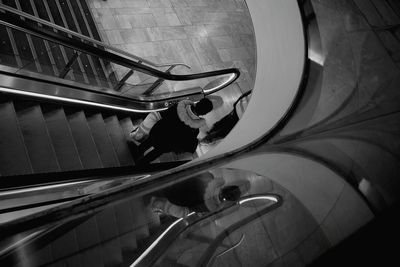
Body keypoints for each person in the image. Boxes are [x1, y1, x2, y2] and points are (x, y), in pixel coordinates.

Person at [129, 98, 213, 164]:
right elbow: (184, 141)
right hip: (167, 144)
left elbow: (165, 114)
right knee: (157, 152)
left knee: (149, 141)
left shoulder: (179, 107)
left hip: (158, 131)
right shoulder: (194, 129)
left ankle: (137, 152)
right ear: (204, 113)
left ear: (197, 103)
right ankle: (142, 162)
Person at [148, 171, 244, 218]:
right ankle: (157, 203)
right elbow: (191, 208)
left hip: (172, 182)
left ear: (227, 186)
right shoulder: (210, 206)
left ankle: (152, 192)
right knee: (183, 212)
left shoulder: (209, 178)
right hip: (174, 198)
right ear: (228, 200)